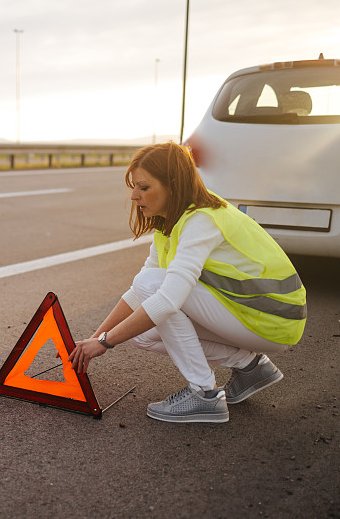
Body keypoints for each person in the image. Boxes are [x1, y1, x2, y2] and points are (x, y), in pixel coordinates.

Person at [68, 142, 307, 423]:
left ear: (172, 185)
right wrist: (97, 339)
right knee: (141, 334)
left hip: (273, 319)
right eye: (134, 187)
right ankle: (250, 365)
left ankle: (204, 394)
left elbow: (165, 297)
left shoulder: (202, 221)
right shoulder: (169, 225)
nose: (134, 196)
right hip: (248, 314)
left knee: (156, 291)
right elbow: (138, 293)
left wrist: (106, 343)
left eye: (144, 187)